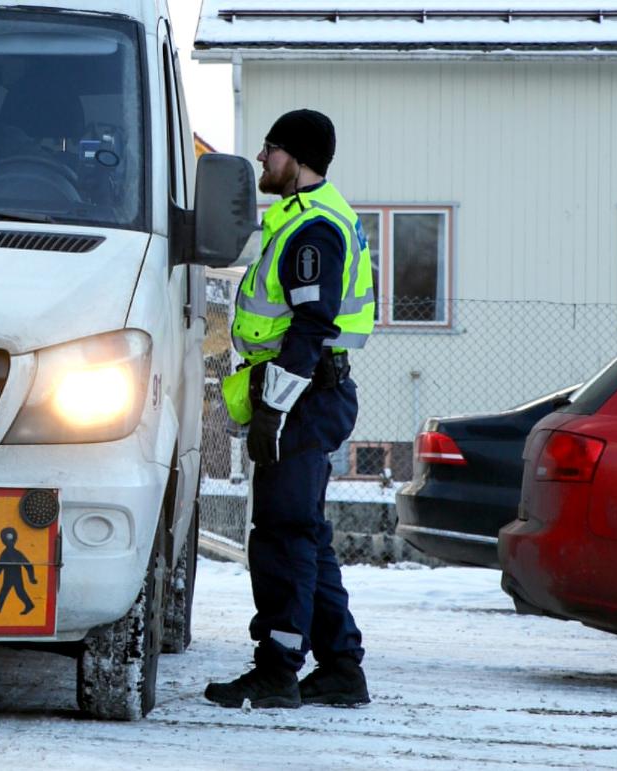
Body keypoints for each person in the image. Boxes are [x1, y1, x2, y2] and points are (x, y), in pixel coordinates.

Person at [204, 109, 376, 710]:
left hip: (301, 398)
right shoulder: (305, 219)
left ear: (297, 160)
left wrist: (273, 410)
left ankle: (277, 669)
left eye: (270, 150)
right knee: (305, 534)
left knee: (281, 535)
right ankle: (340, 668)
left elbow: (310, 324)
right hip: (308, 395)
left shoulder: (313, 230)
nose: (260, 160)